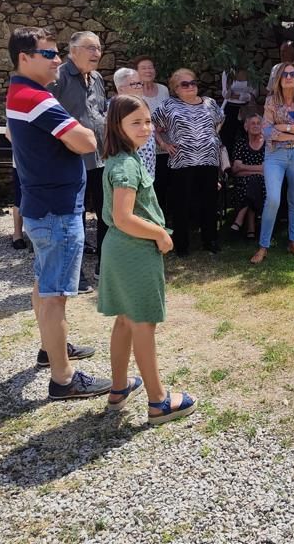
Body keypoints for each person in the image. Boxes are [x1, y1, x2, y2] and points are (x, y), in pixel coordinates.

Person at [6, 26, 110, 400]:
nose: (56, 60)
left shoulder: (19, 92)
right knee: (56, 295)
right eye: (49, 54)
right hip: (57, 210)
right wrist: (80, 132)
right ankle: (64, 379)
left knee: (43, 283)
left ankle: (51, 349)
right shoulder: (38, 99)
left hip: (41, 204)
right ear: (24, 58)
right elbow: (87, 140)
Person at [97, 94, 197, 424]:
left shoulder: (121, 157)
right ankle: (158, 401)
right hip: (134, 250)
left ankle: (118, 388)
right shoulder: (126, 165)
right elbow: (123, 216)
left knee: (125, 319)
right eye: (135, 123)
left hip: (118, 249)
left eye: (147, 121)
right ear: (118, 126)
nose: (144, 128)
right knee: (142, 324)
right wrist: (159, 234)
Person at [49, 31, 108, 292]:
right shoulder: (58, 77)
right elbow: (46, 116)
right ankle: (75, 274)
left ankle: (104, 266)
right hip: (71, 159)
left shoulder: (97, 78)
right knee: (75, 218)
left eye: (98, 48)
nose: (96, 53)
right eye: (90, 48)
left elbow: (99, 113)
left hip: (100, 158)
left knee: (107, 214)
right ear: (73, 51)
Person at [151, 69, 223, 256]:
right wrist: (164, 144)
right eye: (185, 84)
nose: (191, 86)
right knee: (181, 203)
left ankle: (210, 240)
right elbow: (153, 126)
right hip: (182, 161)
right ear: (176, 88)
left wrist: (211, 138)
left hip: (209, 159)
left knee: (209, 200)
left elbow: (219, 121)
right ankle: (181, 245)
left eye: (193, 83)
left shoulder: (210, 103)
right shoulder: (168, 105)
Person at [252, 62, 294, 263]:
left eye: (293, 74)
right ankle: (263, 246)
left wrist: (285, 128)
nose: (289, 77)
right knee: (272, 199)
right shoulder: (271, 101)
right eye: (285, 74)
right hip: (275, 156)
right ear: (279, 79)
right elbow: (267, 131)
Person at [133, 55, 171, 215]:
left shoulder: (163, 89)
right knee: (147, 188)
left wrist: (164, 125)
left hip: (165, 148)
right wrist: (156, 131)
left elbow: (168, 113)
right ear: (136, 72)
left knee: (163, 188)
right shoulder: (135, 93)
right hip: (144, 150)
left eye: (150, 67)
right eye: (144, 68)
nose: (148, 70)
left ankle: (162, 224)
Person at [113, 68, 157, 178]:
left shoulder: (141, 105)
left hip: (148, 172)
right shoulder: (116, 109)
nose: (139, 87)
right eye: (134, 84)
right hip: (129, 173)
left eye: (139, 83)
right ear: (121, 89)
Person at [230, 112, 266, 240]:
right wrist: (258, 170)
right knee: (253, 181)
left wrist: (244, 168)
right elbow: (235, 169)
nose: (256, 126)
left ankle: (239, 221)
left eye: (258, 123)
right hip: (244, 182)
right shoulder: (241, 143)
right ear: (246, 127)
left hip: (263, 183)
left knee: (253, 182)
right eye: (252, 123)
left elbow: (267, 169)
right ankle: (251, 229)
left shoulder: (267, 144)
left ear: (263, 126)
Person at [219, 66, 257, 155]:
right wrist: (243, 95)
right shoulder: (227, 72)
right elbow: (225, 94)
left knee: (247, 135)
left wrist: (237, 96)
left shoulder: (251, 72)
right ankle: (227, 164)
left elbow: (254, 94)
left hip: (246, 108)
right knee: (227, 137)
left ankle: (245, 161)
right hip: (230, 107)